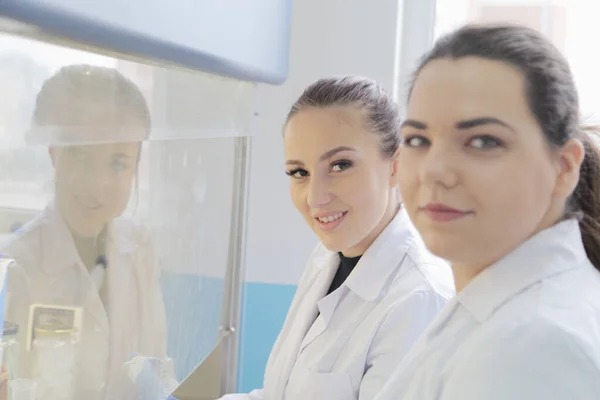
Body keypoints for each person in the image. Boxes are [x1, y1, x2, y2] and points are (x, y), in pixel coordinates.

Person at [374, 24, 600, 400]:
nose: (434, 170)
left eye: (482, 141)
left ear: (563, 167)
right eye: (418, 139)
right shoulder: (496, 307)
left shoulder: (533, 347)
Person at [220, 76, 454, 400]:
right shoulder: (328, 257)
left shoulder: (419, 299)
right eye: (299, 172)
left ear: (396, 167)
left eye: (340, 165)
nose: (315, 199)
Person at [1, 64, 175, 399]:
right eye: (80, 155)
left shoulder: (140, 248)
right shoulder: (16, 265)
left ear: (137, 165)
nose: (97, 184)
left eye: (118, 163)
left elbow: (157, 367)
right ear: (53, 153)